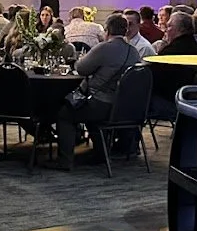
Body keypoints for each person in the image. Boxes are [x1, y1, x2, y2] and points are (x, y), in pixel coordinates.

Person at [51, 14, 141, 170]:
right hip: (121, 108)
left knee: (65, 114)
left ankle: (65, 161)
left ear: (107, 30)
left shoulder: (104, 48)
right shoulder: (133, 52)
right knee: (92, 117)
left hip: (100, 103)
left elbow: (81, 68)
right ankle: (101, 154)